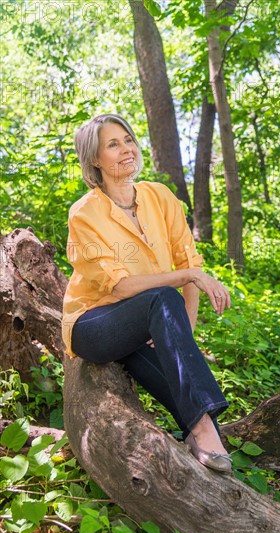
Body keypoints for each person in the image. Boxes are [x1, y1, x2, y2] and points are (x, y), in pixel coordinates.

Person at [62, 113, 232, 473]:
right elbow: (122, 287)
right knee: (162, 297)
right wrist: (184, 279)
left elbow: (189, 258)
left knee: (193, 408)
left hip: (143, 321)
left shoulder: (160, 197)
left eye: (128, 140)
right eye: (113, 144)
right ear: (94, 159)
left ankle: (201, 430)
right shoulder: (85, 214)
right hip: (94, 323)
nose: (126, 149)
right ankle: (201, 428)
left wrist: (176, 329)